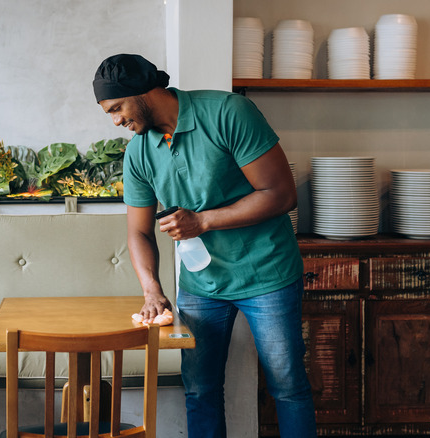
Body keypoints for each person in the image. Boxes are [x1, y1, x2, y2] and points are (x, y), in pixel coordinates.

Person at [92, 53, 317, 438]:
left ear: (144, 91)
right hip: (201, 285)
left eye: (117, 108)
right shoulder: (138, 153)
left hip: (268, 273)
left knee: (288, 386)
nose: (116, 121)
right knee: (200, 389)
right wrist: (152, 289)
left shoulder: (229, 112)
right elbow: (139, 232)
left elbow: (280, 194)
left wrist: (203, 221)